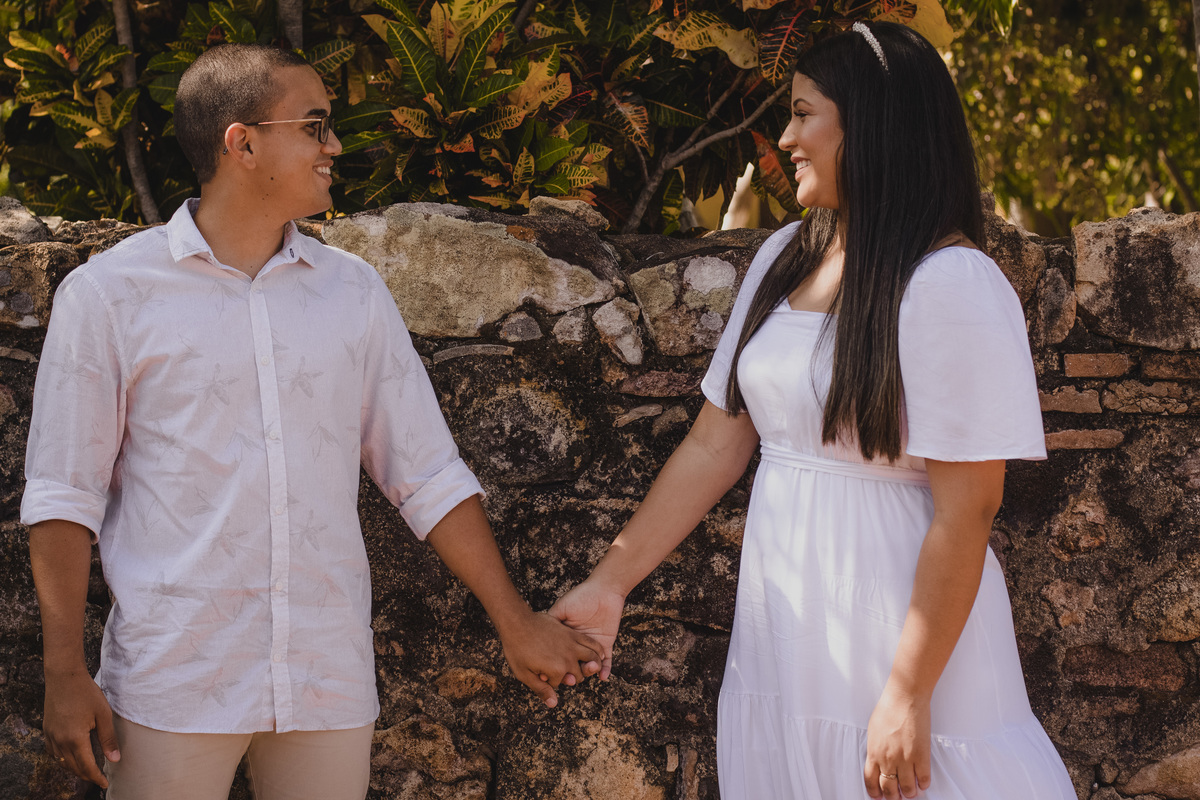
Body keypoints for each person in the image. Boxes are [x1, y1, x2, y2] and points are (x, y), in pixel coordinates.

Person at [23, 44, 601, 800]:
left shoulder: (352, 293)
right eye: (316, 125)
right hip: (174, 678)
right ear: (243, 142)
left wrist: (514, 619)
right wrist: (64, 673)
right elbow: (65, 495)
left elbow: (423, 470)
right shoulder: (108, 297)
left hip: (325, 677)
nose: (335, 145)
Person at [551, 22, 1077, 800]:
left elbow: (969, 510)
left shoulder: (951, 283)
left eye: (804, 115)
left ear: (872, 123)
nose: (786, 137)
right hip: (790, 638)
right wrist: (609, 585)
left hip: (900, 640)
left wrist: (907, 693)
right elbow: (714, 444)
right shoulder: (783, 255)